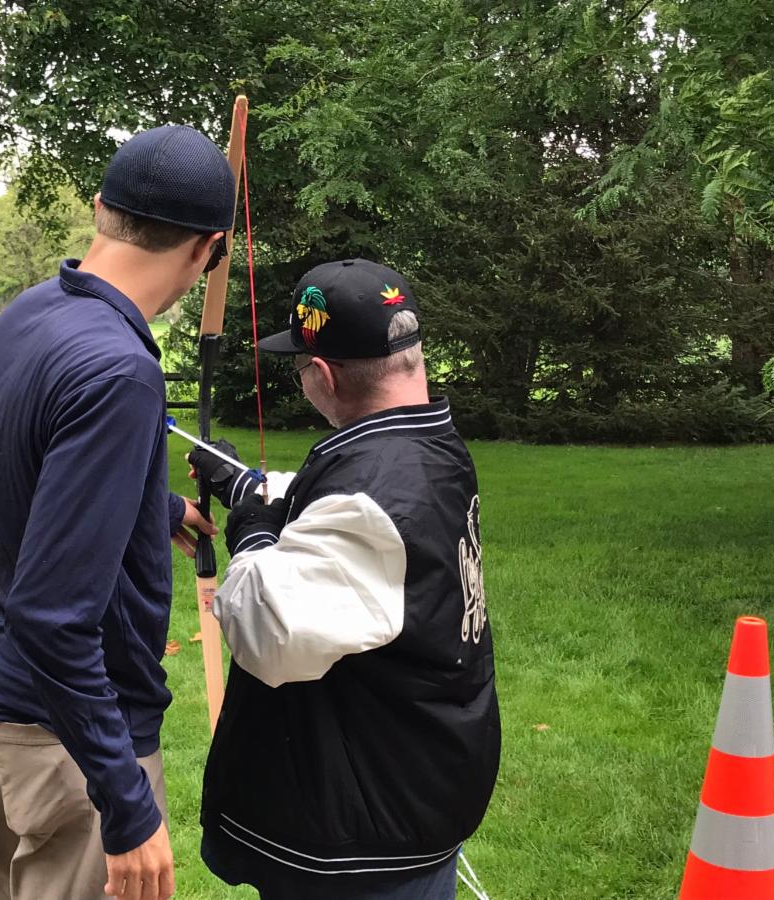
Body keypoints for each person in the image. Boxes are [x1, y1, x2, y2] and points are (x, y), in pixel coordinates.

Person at [0, 125, 231, 900]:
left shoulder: (30, 314)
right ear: (206, 250)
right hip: (64, 742)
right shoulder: (119, 369)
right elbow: (50, 613)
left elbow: (28, 482)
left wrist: (151, 507)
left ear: (102, 208)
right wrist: (125, 802)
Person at [188, 259, 501, 900]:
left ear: (323, 374)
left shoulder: (371, 494)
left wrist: (249, 526)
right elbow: (342, 528)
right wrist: (248, 484)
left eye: (301, 368)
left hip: (364, 836)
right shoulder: (426, 443)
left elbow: (268, 629)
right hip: (415, 782)